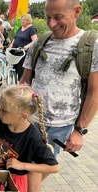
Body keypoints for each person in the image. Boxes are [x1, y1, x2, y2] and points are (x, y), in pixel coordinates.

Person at [20, 0, 98, 157]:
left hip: (61, 128)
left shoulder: (92, 45)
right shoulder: (39, 43)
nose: (52, 24)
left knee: (38, 170)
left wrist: (79, 131)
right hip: (29, 121)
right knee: (22, 167)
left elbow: (94, 92)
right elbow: (25, 83)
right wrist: (17, 111)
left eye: (58, 17)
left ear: (76, 11)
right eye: (48, 17)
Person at [9, 14, 37, 81]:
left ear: (28, 20)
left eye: (23, 19)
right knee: (14, 67)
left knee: (21, 70)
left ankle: (22, 86)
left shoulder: (31, 29)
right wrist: (11, 45)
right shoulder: (20, 28)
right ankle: (15, 83)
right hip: (15, 51)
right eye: (21, 19)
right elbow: (15, 38)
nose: (22, 21)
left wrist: (27, 46)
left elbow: (35, 40)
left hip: (23, 52)